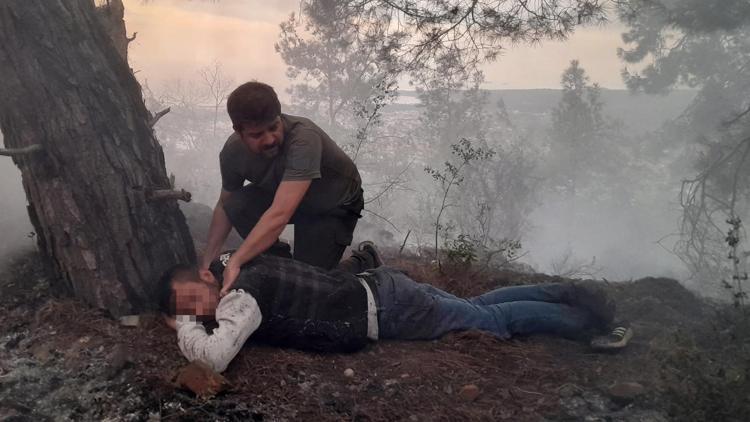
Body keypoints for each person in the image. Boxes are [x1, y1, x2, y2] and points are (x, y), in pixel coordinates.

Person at [159, 247, 633, 373]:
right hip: (385, 286)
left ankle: (589, 322)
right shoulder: (236, 263)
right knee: (477, 305)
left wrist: (182, 325)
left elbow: (214, 357)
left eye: (194, 303)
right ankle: (566, 292)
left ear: (205, 280)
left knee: (494, 322)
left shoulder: (240, 296)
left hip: (389, 309)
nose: (200, 313)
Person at [201, 81, 364, 295]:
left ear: (280, 117)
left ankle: (363, 260)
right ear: (239, 132)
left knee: (310, 286)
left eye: (274, 127)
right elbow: (224, 205)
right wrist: (206, 263)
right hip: (288, 198)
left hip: (332, 206)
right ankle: (280, 264)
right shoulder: (233, 153)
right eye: (257, 135)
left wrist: (236, 261)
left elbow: (280, 213)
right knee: (237, 204)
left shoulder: (304, 139)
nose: (269, 139)